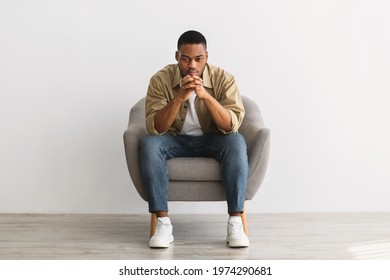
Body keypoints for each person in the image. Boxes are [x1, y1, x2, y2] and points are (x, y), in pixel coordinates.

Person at [140, 30, 249, 248]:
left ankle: (235, 222)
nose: (192, 65)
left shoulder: (223, 79)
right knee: (148, 144)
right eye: (185, 58)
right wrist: (179, 97)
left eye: (198, 59)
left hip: (213, 139)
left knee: (237, 142)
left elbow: (230, 125)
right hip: (174, 140)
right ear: (176, 57)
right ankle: (163, 223)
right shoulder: (160, 79)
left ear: (206, 57)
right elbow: (157, 128)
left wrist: (205, 96)